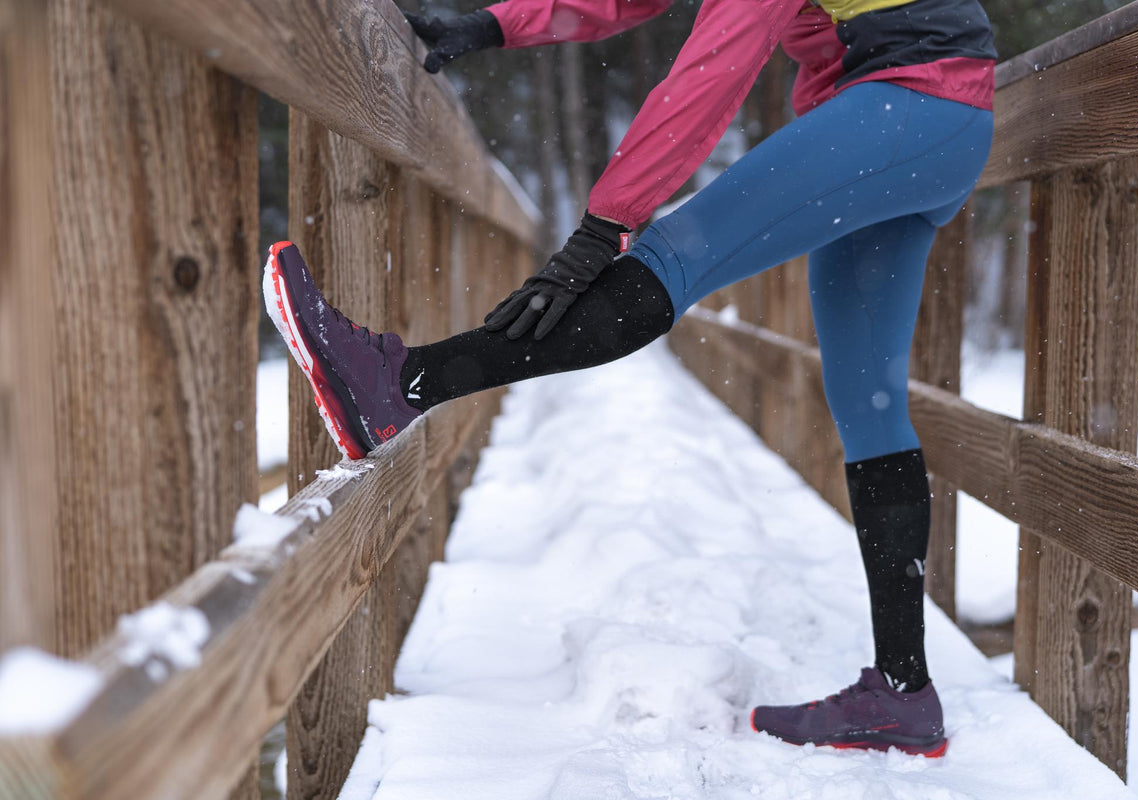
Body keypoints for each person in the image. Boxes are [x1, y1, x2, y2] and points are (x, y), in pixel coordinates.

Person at [264, 0, 996, 758]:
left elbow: (714, 67)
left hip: (908, 100)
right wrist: (496, 23)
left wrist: (606, 223)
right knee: (868, 405)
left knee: (674, 256)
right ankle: (904, 694)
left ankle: (402, 384)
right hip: (937, 117)